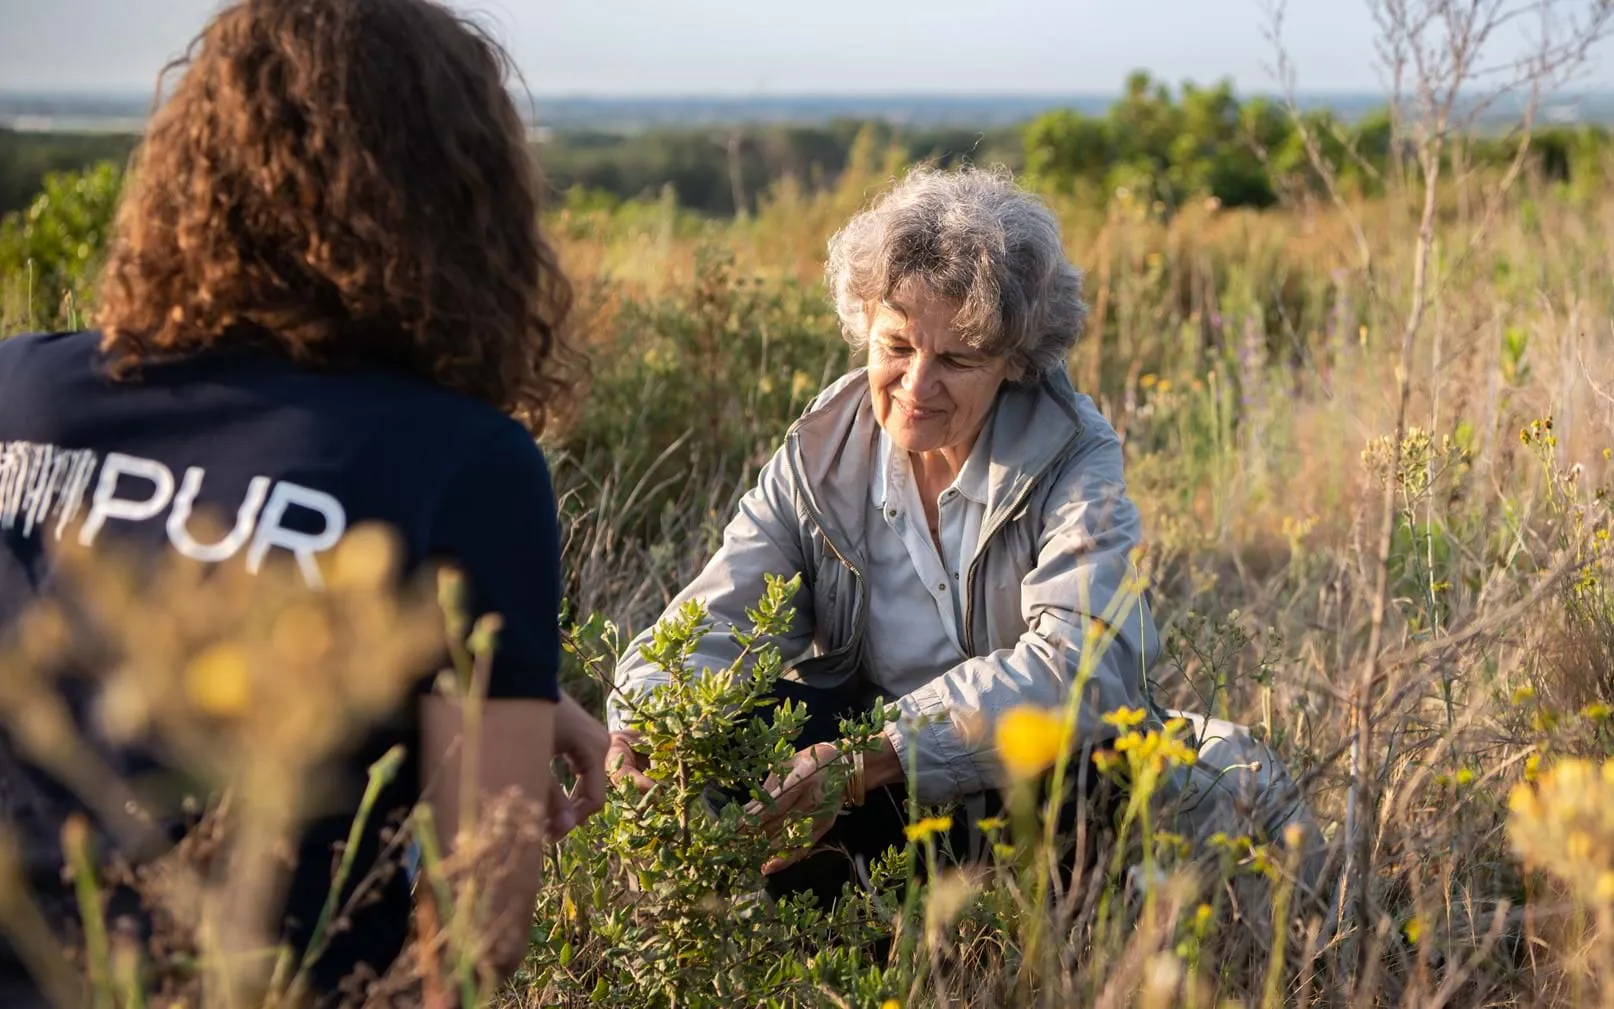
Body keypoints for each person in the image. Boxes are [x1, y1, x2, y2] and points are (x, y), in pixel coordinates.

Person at [0, 0, 608, 1002]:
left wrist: (519, 691)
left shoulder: (18, 388)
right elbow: (478, 926)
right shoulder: (464, 463)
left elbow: (145, 575)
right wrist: (484, 705)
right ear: (458, 198)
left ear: (192, 168)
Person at [605, 166, 1161, 903]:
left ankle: (1015, 926)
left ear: (1015, 364)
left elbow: (1083, 664)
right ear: (863, 323)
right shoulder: (822, 453)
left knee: (1092, 762)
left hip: (1023, 788)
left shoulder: (1073, 454)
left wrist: (884, 748)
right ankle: (818, 929)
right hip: (872, 785)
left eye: (959, 359)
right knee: (731, 731)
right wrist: (646, 719)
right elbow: (722, 616)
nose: (917, 385)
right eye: (896, 344)